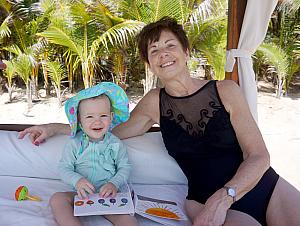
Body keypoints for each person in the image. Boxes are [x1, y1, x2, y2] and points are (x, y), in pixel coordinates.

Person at [19, 17, 300, 226]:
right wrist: (54, 128)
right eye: (154, 51)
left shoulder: (226, 90)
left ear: (186, 51)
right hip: (202, 199)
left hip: (264, 186)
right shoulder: (155, 102)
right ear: (150, 64)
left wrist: (224, 198)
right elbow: (106, 131)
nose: (163, 54)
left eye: (170, 45)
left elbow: (259, 156)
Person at [49, 82, 137, 226]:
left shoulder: (115, 144)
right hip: (81, 195)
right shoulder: (74, 144)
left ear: (111, 117)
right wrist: (77, 180)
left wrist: (113, 184)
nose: (97, 121)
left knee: (129, 221)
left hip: (108, 195)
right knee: (57, 199)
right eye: (89, 117)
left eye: (103, 115)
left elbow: (124, 167)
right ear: (80, 121)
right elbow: (64, 168)